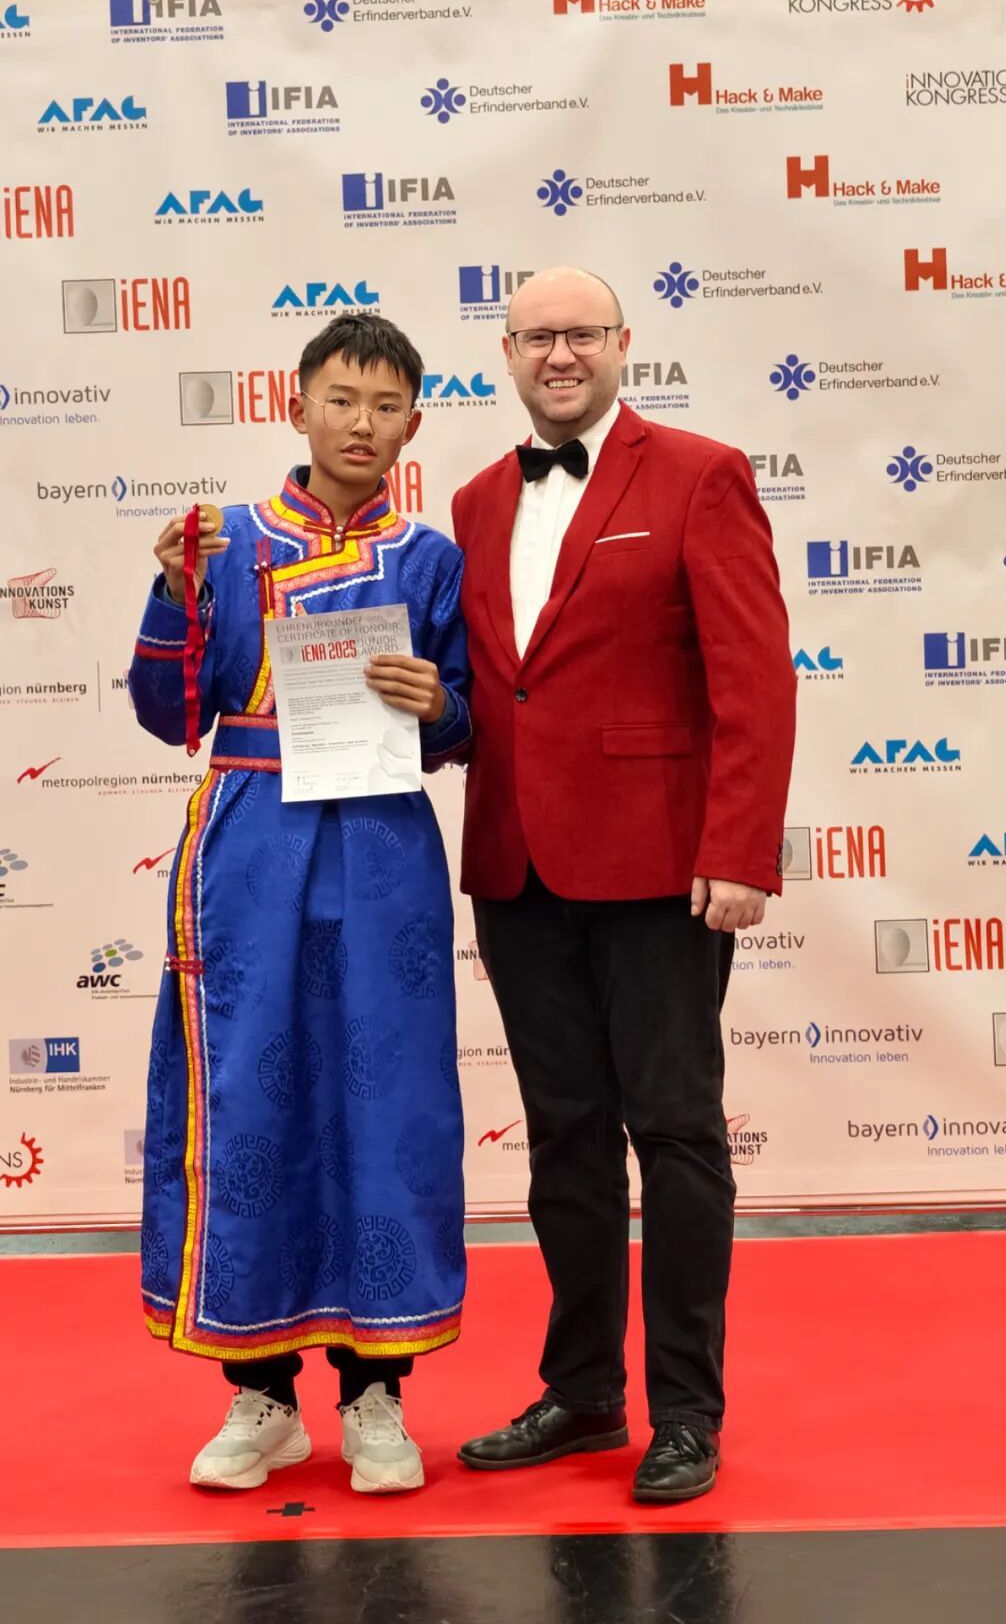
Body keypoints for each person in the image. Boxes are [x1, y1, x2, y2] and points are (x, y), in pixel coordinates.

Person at [452, 267, 795, 1503]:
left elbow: (756, 677)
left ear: (622, 345)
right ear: (505, 351)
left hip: (660, 870)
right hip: (518, 869)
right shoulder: (477, 500)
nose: (560, 354)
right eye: (538, 335)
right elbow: (488, 686)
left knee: (678, 1134)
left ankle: (687, 1412)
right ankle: (586, 1392)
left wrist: (738, 849)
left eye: (581, 334)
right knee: (565, 1140)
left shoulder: (702, 475)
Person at [130, 312, 471, 1495]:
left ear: (412, 424)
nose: (360, 424)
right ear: (297, 406)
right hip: (250, 846)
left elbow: (467, 722)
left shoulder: (431, 558)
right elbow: (168, 714)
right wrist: (174, 591)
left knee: (388, 1105)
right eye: (340, 399)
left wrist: (436, 702)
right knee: (251, 1099)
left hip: (381, 849)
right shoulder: (223, 541)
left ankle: (377, 1392)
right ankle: (262, 1394)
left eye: (385, 406)